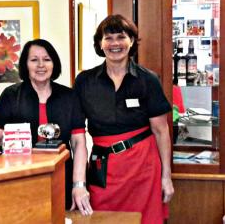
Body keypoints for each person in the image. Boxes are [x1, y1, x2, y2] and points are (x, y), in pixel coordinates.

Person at [73, 15, 174, 223]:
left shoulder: (148, 80)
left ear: (131, 41)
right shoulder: (85, 81)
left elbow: (161, 131)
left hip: (143, 167)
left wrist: (166, 177)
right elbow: (77, 134)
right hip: (103, 169)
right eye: (108, 38)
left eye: (121, 37)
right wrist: (79, 183)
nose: (115, 43)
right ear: (100, 44)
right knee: (101, 219)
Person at [0, 39, 92, 214]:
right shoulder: (10, 96)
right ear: (25, 64)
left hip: (62, 178)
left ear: (54, 64)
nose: (40, 65)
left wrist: (79, 185)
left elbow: (79, 144)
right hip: (20, 179)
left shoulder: (70, 97)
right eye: (34, 60)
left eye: (46, 59)